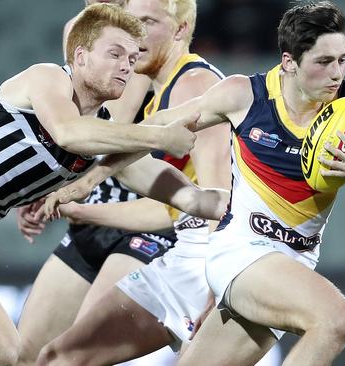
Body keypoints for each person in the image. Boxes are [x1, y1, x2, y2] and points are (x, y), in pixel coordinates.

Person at [42, 2, 345, 365]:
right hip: (240, 250)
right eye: (324, 62)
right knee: (336, 320)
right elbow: (152, 130)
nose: (336, 75)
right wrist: (83, 183)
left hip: (289, 266)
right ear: (289, 62)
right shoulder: (244, 95)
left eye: (342, 60)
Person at [0, 4, 202, 365]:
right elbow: (68, 133)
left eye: (132, 57)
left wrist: (221, 205)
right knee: (4, 351)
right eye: (115, 54)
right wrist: (158, 135)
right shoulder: (48, 79)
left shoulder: (100, 131)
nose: (127, 65)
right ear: (81, 55)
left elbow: (161, 183)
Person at [26, 0, 231, 364]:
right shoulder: (158, 82)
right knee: (38, 356)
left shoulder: (194, 84)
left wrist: (220, 281)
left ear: (180, 30)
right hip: (160, 235)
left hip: (185, 252)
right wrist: (67, 192)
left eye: (147, 22)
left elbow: (216, 203)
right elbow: (117, 150)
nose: (135, 34)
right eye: (131, 21)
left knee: (68, 358)